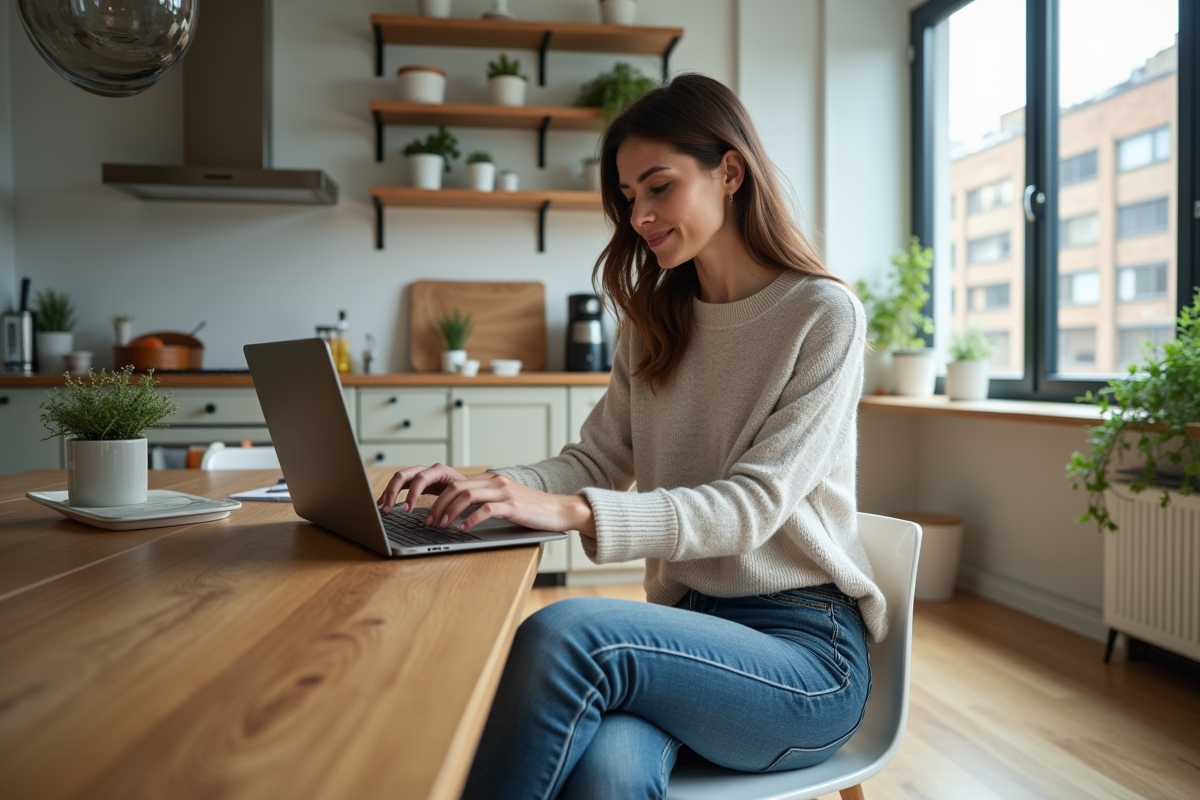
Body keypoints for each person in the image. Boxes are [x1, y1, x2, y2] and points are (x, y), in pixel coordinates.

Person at [376, 72, 886, 800]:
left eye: (659, 187)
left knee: (566, 634)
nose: (639, 215)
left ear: (730, 172)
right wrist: (494, 487)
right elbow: (598, 459)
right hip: (685, 631)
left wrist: (572, 511)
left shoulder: (822, 314)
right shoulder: (653, 322)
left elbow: (752, 506)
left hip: (804, 656)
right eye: (627, 196)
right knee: (605, 777)